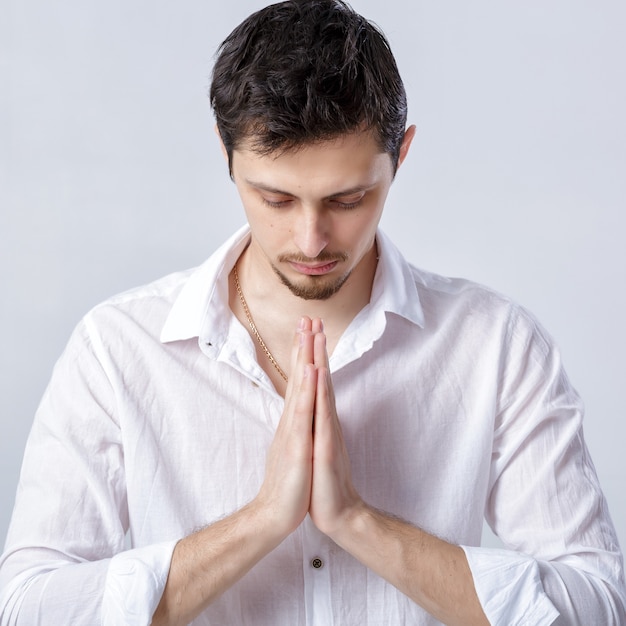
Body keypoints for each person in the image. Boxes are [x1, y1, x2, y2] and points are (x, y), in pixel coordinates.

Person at [1, 0, 625, 624]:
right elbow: (28, 606)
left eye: (348, 198)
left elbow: (598, 603)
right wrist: (262, 521)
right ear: (225, 151)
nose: (311, 240)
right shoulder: (118, 350)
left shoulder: (496, 346)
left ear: (400, 156)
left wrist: (358, 523)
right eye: (274, 197)